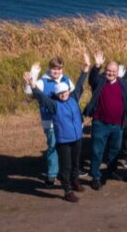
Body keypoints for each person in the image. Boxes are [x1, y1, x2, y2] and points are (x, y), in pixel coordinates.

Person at [24, 60, 88, 201]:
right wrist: (32, 83)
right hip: (64, 140)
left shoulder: (73, 98)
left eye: (65, 92)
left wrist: (86, 68)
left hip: (77, 137)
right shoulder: (54, 105)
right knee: (66, 166)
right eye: (60, 93)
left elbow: (79, 84)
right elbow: (41, 97)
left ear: (68, 91)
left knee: (76, 162)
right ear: (57, 95)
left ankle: (75, 182)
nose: (63, 94)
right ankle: (67, 190)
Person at [84, 52, 127, 189]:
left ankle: (111, 171)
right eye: (108, 70)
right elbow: (92, 79)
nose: (110, 73)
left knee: (115, 150)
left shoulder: (123, 84)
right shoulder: (100, 81)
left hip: (117, 125)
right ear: (105, 70)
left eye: (113, 71)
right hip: (100, 123)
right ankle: (95, 176)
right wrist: (97, 66)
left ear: (118, 73)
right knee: (97, 151)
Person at [25, 56, 74, 188]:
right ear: (49, 68)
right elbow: (29, 91)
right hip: (50, 121)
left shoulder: (66, 79)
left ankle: (70, 172)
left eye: (59, 68)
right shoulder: (43, 82)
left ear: (62, 68)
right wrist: (33, 74)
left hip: (65, 121)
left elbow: (73, 96)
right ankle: (52, 175)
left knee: (68, 147)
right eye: (53, 68)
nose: (56, 71)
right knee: (53, 147)